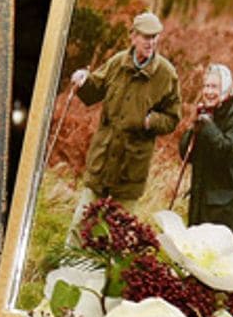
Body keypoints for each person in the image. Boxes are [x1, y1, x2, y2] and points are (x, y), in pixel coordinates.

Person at [70, 11, 181, 212]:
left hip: (131, 167)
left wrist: (151, 121)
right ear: (133, 36)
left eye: (155, 37)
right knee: (81, 226)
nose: (151, 42)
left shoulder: (167, 74)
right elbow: (94, 91)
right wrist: (82, 82)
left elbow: (172, 118)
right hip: (102, 160)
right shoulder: (117, 62)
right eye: (146, 37)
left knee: (119, 232)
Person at [179, 63, 233, 248]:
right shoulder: (207, 113)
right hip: (202, 199)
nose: (208, 92)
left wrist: (208, 126)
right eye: (206, 86)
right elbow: (186, 155)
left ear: (226, 88)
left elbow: (226, 152)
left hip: (227, 207)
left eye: (214, 87)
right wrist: (194, 125)